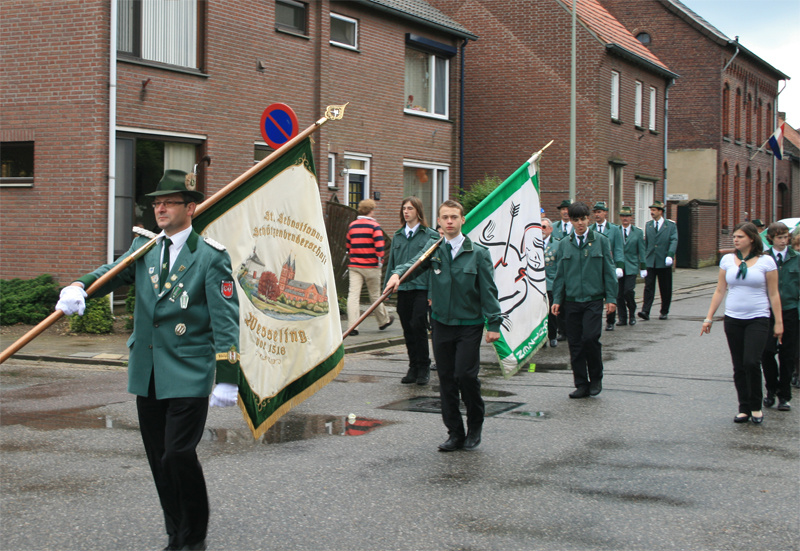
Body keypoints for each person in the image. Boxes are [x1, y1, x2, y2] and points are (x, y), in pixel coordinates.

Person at [55, 169, 240, 551]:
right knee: (159, 460)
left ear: (190, 208)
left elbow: (225, 320)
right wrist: (79, 285)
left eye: (168, 202)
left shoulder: (210, 257)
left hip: (189, 371)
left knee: (178, 454)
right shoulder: (145, 248)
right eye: (156, 203)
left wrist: (228, 375)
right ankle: (175, 534)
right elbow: (113, 273)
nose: (159, 208)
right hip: (149, 371)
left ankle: (194, 535)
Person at [385, 200, 501, 452]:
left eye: (454, 217)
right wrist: (397, 274)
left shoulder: (478, 253)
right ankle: (455, 433)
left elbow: (489, 291)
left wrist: (494, 323)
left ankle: (475, 427)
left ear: (462, 220)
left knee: (465, 376)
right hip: (440, 323)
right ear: (438, 221)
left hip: (469, 323)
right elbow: (414, 264)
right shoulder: (433, 248)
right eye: (444, 217)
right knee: (447, 379)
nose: (449, 221)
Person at [700, 222, 783, 424]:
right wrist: (709, 317)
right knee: (738, 365)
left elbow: (774, 294)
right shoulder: (727, 260)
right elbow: (720, 290)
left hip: (758, 318)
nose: (735, 240)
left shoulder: (767, 262)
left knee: (752, 362)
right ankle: (743, 407)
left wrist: (778, 323)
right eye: (735, 236)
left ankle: (756, 406)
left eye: (740, 237)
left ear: (752, 239)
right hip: (733, 319)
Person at [551, 201, 617, 399]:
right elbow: (560, 275)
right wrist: (557, 299)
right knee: (575, 344)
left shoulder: (601, 241)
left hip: (593, 299)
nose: (580, 223)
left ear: (588, 219)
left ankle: (596, 378)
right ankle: (581, 383)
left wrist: (611, 298)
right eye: (576, 220)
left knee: (590, 339)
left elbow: (609, 270)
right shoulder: (564, 244)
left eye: (583, 219)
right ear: (570, 221)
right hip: (571, 301)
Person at [384, 197, 440, 385]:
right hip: (404, 288)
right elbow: (392, 265)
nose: (406, 211)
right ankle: (413, 365)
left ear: (418, 211)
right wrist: (387, 290)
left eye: (410, 208)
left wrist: (432, 293)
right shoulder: (398, 235)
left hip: (421, 288)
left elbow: (432, 267)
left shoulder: (430, 236)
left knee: (418, 325)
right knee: (407, 328)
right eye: (404, 208)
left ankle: (424, 366)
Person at [761, 222, 798, 411]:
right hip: (767, 312)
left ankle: (784, 395)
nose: (784, 241)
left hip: (790, 310)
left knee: (787, 355)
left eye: (786, 237)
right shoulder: (764, 259)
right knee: (766, 352)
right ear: (771, 239)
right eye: (779, 238)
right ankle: (771, 389)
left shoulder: (796, 258)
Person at [345, 199, 393, 336]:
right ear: (371, 210)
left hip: (355, 266)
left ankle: (352, 326)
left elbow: (348, 246)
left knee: (353, 295)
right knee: (375, 296)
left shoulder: (352, 226)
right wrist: (380, 261)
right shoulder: (374, 226)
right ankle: (383, 321)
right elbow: (379, 247)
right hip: (371, 266)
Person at [639, 200, 678, 321]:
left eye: (654, 210)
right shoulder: (648, 225)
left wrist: (670, 255)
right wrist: (643, 263)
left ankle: (664, 311)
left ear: (661, 211)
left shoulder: (670, 225)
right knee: (648, 287)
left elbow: (674, 240)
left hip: (664, 260)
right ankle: (646, 310)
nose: (652, 212)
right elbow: (647, 244)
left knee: (665, 287)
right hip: (651, 260)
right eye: (651, 210)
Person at [590, 201, 624, 330]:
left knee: (611, 291)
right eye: (595, 212)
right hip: (596, 267)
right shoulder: (591, 229)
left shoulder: (614, 229)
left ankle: (610, 321)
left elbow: (618, 248)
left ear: (605, 213)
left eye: (599, 212)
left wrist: (619, 266)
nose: (597, 215)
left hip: (609, 265)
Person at [616, 206, 647, 326]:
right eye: (623, 216)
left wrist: (643, 266)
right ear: (620, 217)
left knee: (628, 291)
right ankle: (622, 318)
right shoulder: (615, 230)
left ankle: (632, 313)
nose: (625, 218)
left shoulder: (638, 232)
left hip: (632, 266)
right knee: (619, 294)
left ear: (631, 218)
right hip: (618, 266)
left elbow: (642, 250)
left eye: (627, 216)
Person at [542, 218, 560, 347]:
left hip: (551, 284)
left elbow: (559, 265)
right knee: (538, 313)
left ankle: (552, 336)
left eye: (543, 227)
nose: (541, 230)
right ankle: (540, 339)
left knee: (551, 313)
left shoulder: (557, 245)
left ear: (550, 229)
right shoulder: (532, 244)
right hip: (536, 285)